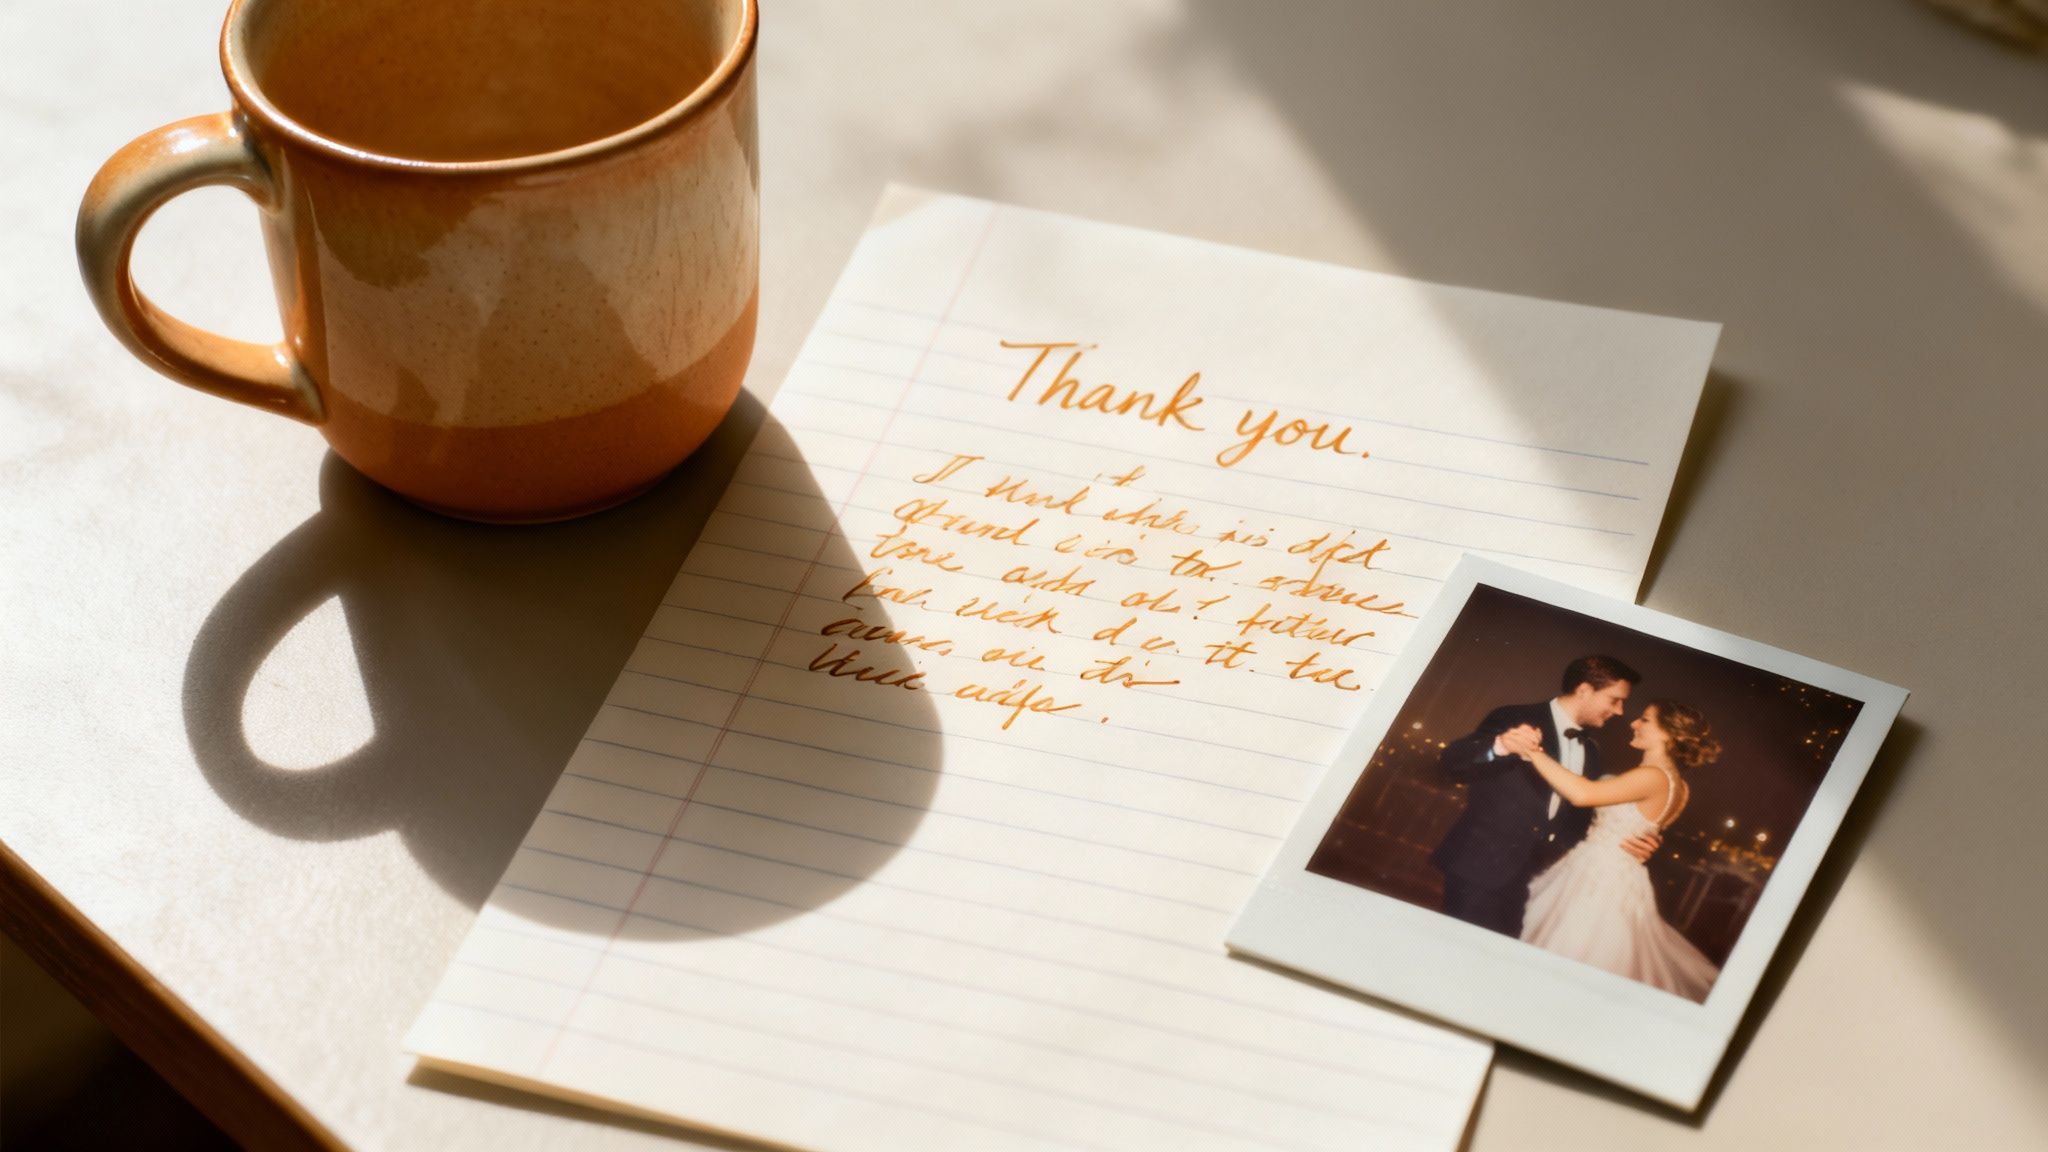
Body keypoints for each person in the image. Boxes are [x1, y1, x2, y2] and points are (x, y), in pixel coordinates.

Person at [1432, 655, 1661, 937]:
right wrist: (1500, 745)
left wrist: (1629, 837)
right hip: (1482, 869)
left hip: (1538, 881)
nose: (1620, 711)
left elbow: (1579, 818)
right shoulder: (1513, 717)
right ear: (1584, 690)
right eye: (1614, 700)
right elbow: (1452, 764)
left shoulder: (1590, 751)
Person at [1512, 701, 1723, 1002]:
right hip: (1618, 873)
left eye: (1645, 720)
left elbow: (1583, 794)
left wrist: (1533, 751)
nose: (1634, 723)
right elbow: (1642, 826)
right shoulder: (1678, 785)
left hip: (1599, 877)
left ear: (1669, 734)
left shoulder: (1653, 777)